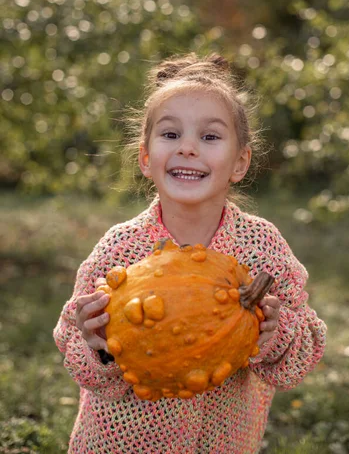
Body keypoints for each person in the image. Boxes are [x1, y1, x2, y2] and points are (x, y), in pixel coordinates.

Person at [54, 53, 327, 454]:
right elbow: (74, 347)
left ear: (239, 162)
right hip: (123, 442)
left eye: (210, 137)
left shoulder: (261, 248)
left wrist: (276, 330)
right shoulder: (121, 248)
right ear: (146, 159)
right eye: (170, 135)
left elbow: (301, 354)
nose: (187, 149)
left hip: (222, 442)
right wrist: (94, 341)